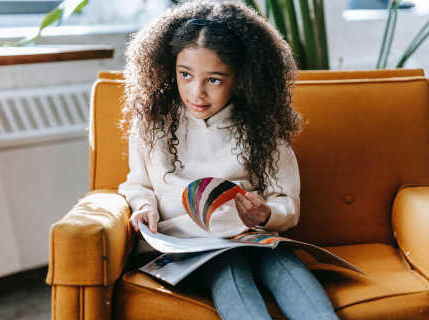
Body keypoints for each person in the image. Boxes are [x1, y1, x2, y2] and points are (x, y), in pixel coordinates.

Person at [118, 1, 339, 319]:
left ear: (240, 78)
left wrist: (266, 215)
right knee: (228, 264)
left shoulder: (262, 129)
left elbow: (286, 204)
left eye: (214, 80)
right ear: (171, 68)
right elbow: (137, 183)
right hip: (186, 243)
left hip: (246, 235)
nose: (197, 93)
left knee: (282, 261)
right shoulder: (152, 122)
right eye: (185, 74)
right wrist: (144, 207)